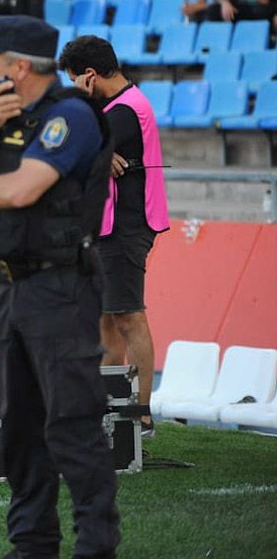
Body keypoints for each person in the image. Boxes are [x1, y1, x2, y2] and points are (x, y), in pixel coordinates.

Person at [0, 15, 118, 559]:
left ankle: (96, 545)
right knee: (20, 425)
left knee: (72, 423)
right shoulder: (2, 116)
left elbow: (24, 188)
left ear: (18, 67)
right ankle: (33, 544)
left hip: (60, 289)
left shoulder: (70, 117)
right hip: (9, 288)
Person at [59, 35, 169, 439]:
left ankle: (141, 416)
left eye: (75, 81)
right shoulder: (115, 109)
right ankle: (109, 409)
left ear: (89, 76)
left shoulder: (123, 111)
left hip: (124, 228)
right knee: (107, 321)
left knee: (128, 316)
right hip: (109, 227)